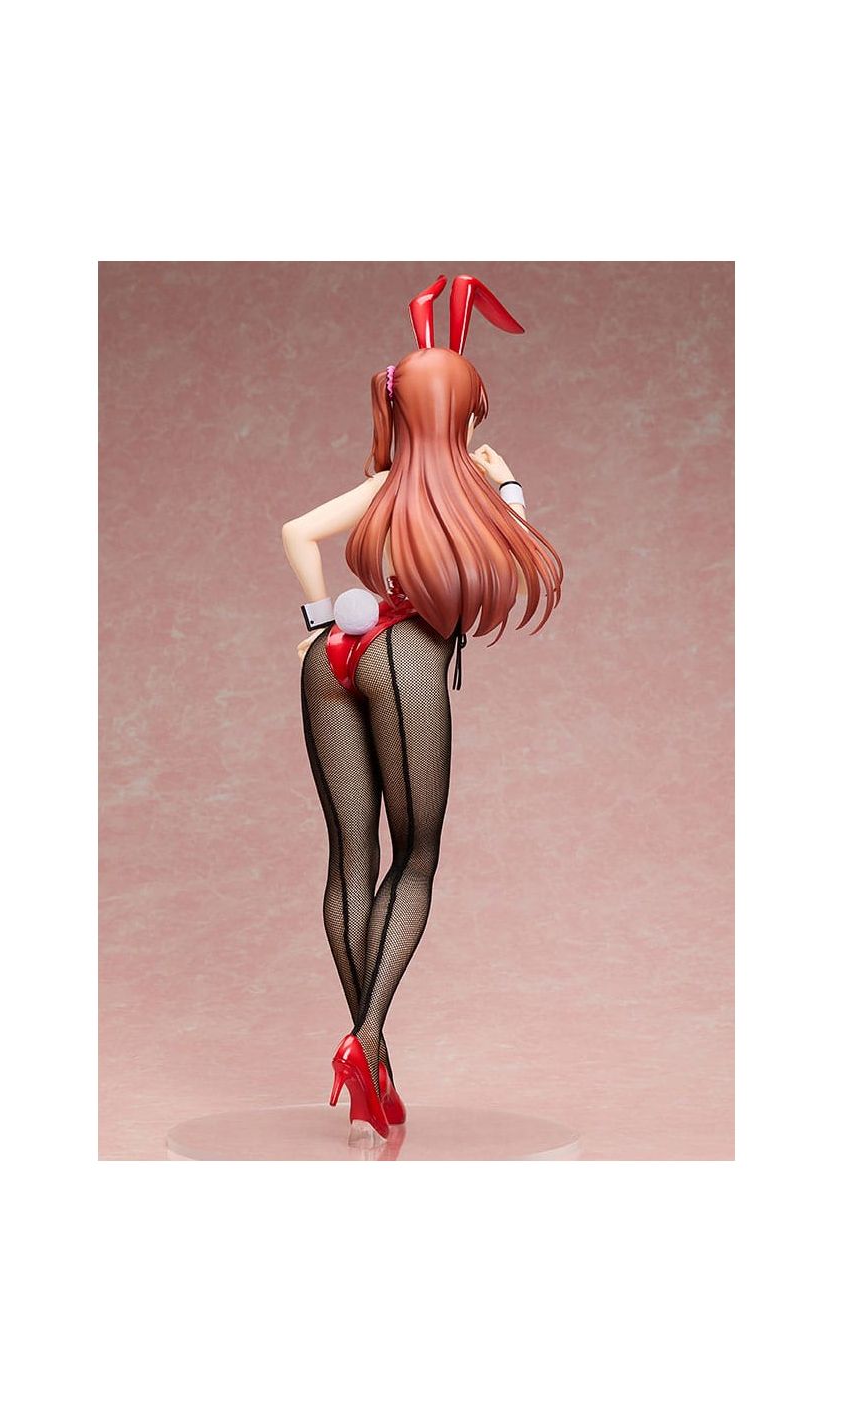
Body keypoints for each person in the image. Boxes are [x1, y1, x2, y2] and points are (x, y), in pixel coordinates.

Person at [281, 275, 564, 1139]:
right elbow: (516, 553)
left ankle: (373, 1061)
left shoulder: (385, 486)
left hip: (332, 655)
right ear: (464, 414)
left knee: (349, 857)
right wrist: (507, 483)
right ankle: (364, 1039)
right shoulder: (473, 484)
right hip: (403, 656)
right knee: (415, 857)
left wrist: (317, 621)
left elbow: (296, 533)